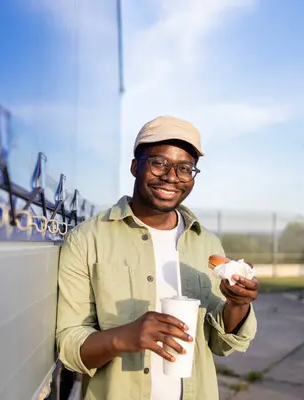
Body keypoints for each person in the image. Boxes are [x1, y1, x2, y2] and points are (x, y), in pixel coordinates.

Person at [55, 116, 259, 400]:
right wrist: (123, 337)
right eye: (159, 163)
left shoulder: (206, 242)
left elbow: (219, 343)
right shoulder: (87, 239)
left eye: (184, 168)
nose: (172, 177)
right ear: (135, 166)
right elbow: (68, 345)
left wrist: (237, 304)